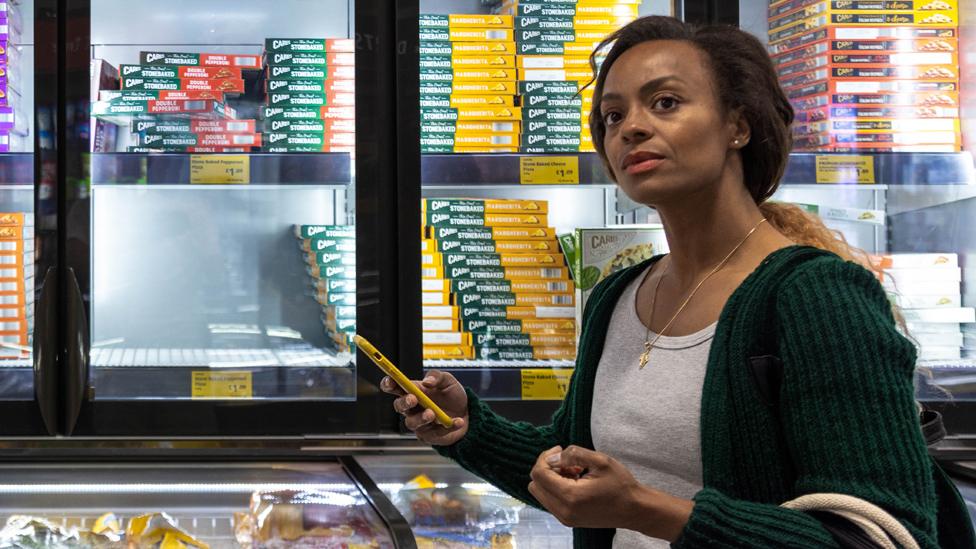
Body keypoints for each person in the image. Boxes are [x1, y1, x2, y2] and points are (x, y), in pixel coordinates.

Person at [383, 16, 975, 548]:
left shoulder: (817, 297)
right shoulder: (620, 293)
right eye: (613, 115)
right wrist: (465, 427)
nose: (631, 128)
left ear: (737, 125)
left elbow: (878, 536)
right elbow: (570, 469)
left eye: (664, 103)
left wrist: (647, 510)